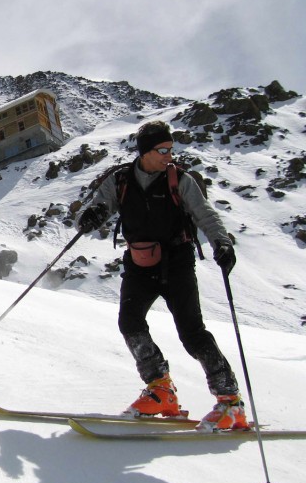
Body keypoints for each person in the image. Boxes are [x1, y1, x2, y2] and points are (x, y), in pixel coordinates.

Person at [76, 120, 246, 431]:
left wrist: (221, 241)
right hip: (140, 264)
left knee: (192, 333)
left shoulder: (178, 179)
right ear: (145, 152)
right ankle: (160, 389)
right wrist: (91, 216)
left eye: (171, 149)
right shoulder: (120, 180)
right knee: (130, 323)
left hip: (177, 263)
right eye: (162, 150)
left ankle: (230, 401)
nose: (169, 154)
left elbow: (204, 213)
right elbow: (95, 207)